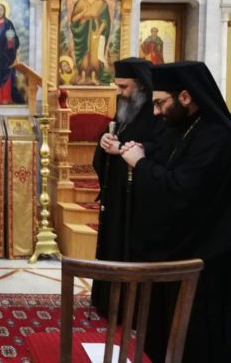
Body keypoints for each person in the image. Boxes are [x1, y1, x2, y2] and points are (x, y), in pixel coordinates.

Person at [120, 61, 231, 363]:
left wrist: (140, 163)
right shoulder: (181, 127)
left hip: (204, 259)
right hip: (175, 252)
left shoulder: (216, 136)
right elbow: (164, 157)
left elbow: (182, 188)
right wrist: (142, 150)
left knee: (194, 341)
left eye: (160, 103)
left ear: (185, 96)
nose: (156, 112)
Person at [90, 57, 167, 317]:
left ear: (141, 86)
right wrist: (104, 142)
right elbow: (113, 137)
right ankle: (108, 303)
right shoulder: (125, 107)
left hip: (139, 199)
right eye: (117, 86)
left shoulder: (157, 113)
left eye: (124, 87)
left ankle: (130, 310)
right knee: (113, 244)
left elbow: (161, 149)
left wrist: (122, 149)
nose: (119, 92)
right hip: (116, 194)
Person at [70, 0, 111, 85]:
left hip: (95, 32)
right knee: (84, 54)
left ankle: (94, 77)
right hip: (83, 32)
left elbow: (105, 21)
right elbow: (74, 19)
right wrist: (84, 13)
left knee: (95, 54)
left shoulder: (102, 3)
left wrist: (99, 32)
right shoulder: (80, 2)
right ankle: (83, 75)